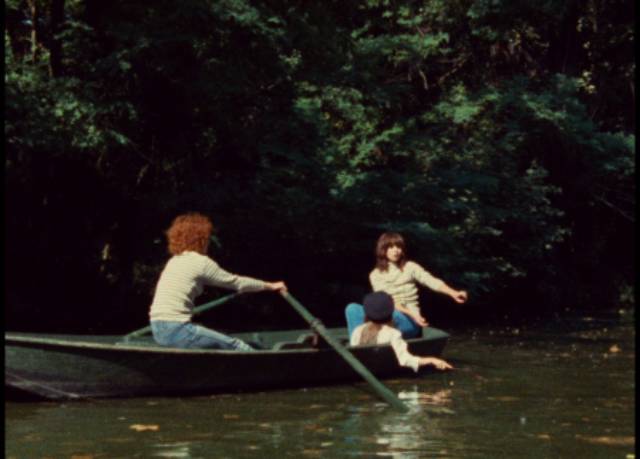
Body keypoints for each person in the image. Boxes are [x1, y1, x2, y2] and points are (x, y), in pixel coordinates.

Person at [149, 212, 286, 350]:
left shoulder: (174, 261)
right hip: (179, 330)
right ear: (201, 239)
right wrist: (269, 285)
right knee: (239, 346)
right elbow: (237, 283)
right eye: (207, 237)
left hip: (158, 329)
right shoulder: (200, 262)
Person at [346, 232, 467, 339]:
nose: (396, 250)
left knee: (392, 315)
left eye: (398, 247)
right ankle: (357, 344)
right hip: (386, 317)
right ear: (383, 250)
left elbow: (431, 281)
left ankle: (375, 336)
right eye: (391, 247)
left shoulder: (410, 267)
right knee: (352, 308)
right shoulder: (375, 274)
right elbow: (387, 302)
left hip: (409, 320)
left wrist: (453, 293)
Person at [350, 292, 453, 372]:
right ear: (391, 314)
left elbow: (354, 351)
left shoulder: (357, 330)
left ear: (367, 314)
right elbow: (405, 360)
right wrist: (432, 360)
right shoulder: (393, 333)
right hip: (377, 368)